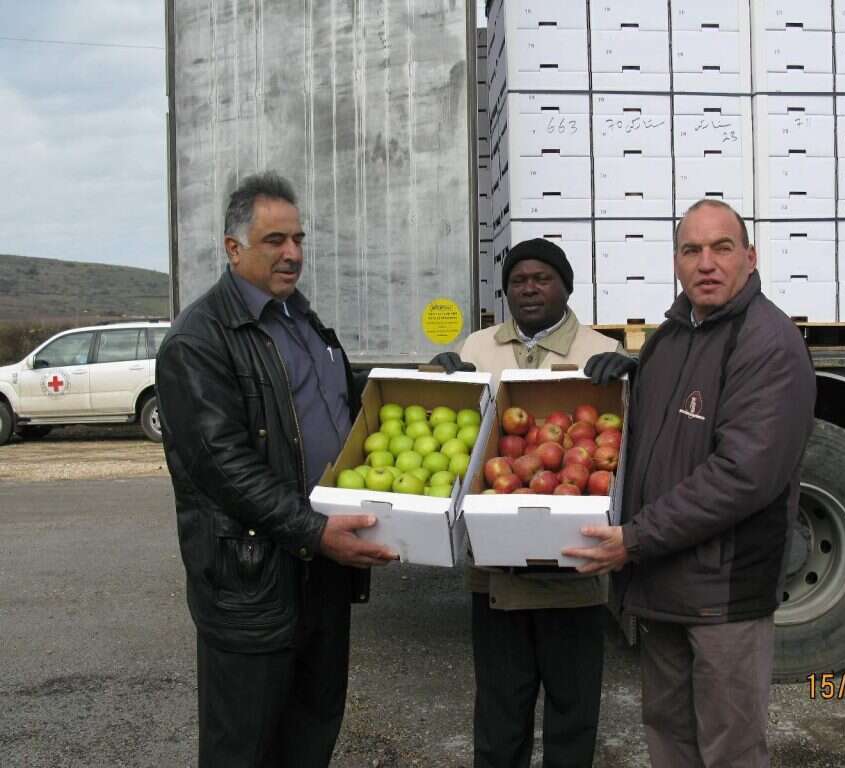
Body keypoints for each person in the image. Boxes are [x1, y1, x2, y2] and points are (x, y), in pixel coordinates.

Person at [156, 171, 397, 768]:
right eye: (274, 241)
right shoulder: (198, 341)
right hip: (255, 578)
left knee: (312, 729)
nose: (292, 253)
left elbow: (336, 402)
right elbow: (224, 468)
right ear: (233, 248)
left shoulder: (301, 320)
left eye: (299, 239)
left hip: (321, 573)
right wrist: (314, 531)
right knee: (244, 744)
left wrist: (414, 384)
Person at [566, 199, 817, 768]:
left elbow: (741, 475)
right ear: (677, 262)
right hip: (665, 582)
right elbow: (660, 441)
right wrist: (630, 377)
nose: (706, 263)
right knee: (670, 737)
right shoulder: (674, 334)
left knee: (729, 746)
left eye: (722, 248)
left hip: (723, 592)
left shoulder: (766, 342)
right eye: (691, 250)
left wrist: (634, 537)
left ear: (749, 258)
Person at [431, 238, 633, 768]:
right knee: (500, 714)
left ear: (566, 286)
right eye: (518, 280)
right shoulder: (476, 348)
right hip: (495, 570)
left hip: (575, 570)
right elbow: (449, 425)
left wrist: (633, 373)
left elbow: (629, 445)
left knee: (573, 715)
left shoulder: (599, 350)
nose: (529, 288)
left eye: (542, 278)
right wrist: (438, 375)